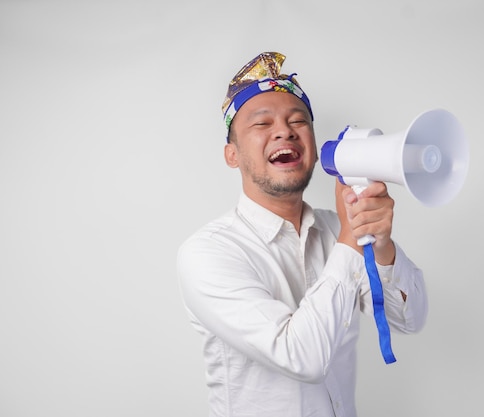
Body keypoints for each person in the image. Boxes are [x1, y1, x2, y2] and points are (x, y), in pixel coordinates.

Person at [176, 51, 428, 417]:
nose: (284, 131)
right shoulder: (208, 253)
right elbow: (301, 358)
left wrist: (381, 244)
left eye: (298, 120)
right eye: (262, 124)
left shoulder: (335, 229)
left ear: (311, 150)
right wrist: (351, 237)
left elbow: (410, 319)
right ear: (232, 155)